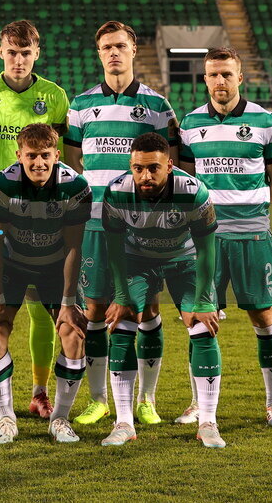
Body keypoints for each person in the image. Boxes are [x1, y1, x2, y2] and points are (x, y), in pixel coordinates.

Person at [64, 20, 179, 427]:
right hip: (96, 221)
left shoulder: (158, 107)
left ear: (134, 51)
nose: (113, 53)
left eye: (120, 46)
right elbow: (74, 162)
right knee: (95, 308)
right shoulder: (79, 106)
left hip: (143, 226)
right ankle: (99, 400)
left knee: (146, 307)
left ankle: (147, 398)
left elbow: (170, 165)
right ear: (99, 54)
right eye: (106, 47)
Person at [0, 19, 70, 422]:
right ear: (0, 52)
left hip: (44, 218)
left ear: (37, 53)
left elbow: (64, 160)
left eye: (26, 53)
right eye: (12, 52)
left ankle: (40, 393)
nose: (19, 60)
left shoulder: (55, 97)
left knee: (43, 310)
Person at [178, 46, 272, 428]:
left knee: (263, 315)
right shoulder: (191, 124)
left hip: (252, 237)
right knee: (198, 320)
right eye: (213, 74)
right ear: (204, 78)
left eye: (227, 74)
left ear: (240, 77)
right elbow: (187, 180)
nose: (220, 81)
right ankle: (197, 403)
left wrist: (251, 213)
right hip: (204, 240)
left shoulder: (266, 121)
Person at [100, 132, 224, 448]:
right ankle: (124, 422)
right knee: (124, 322)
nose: (145, 175)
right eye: (138, 168)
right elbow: (113, 247)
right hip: (137, 261)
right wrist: (121, 295)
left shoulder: (194, 192)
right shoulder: (115, 192)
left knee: (201, 325)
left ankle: (208, 422)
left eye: (153, 168)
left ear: (169, 165)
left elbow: (207, 249)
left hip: (184, 261)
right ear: (130, 165)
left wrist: (205, 299)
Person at [0, 124, 92, 444]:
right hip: (12, 265)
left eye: (45, 156)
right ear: (19, 156)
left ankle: (59, 418)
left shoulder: (76, 188)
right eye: (31, 156)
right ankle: (6, 417)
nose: (38, 163)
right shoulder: (0, 185)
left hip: (56, 267)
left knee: (74, 333)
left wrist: (70, 304)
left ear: (57, 155)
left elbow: (74, 247)